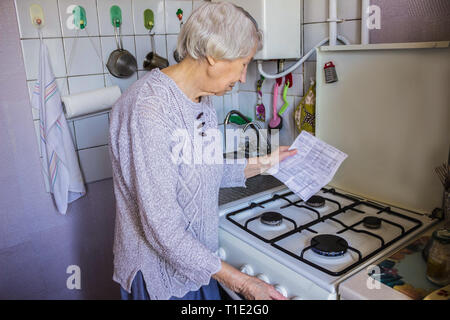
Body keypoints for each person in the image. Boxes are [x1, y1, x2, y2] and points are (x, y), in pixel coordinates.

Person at [109, 1, 297, 300]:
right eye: (243, 63)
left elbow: (203, 169)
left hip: (198, 263)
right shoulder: (149, 109)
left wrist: (266, 163)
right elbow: (163, 231)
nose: (242, 78)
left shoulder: (202, 99)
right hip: (159, 274)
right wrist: (243, 282)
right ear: (213, 55)